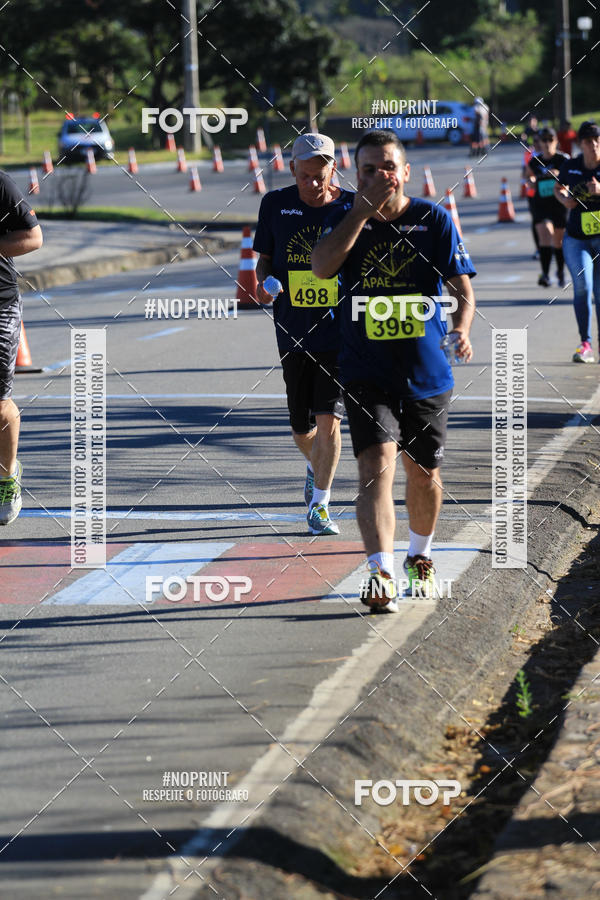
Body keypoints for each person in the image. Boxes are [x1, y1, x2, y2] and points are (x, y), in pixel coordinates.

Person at [312, 130, 476, 611]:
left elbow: (461, 287)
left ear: (405, 172)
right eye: (368, 169)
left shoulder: (434, 220)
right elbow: (322, 267)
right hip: (366, 371)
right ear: (355, 175)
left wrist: (462, 327)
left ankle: (419, 557)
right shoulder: (346, 220)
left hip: (427, 372)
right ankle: (380, 570)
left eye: (388, 166)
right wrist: (361, 213)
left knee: (423, 473)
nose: (379, 175)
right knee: (374, 468)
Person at [253, 134, 353, 535]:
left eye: (320, 174)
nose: (313, 183)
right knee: (301, 427)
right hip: (292, 330)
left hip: (340, 332)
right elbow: (262, 263)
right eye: (305, 175)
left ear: (333, 168)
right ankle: (316, 466)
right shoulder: (274, 205)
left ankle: (321, 505)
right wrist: (266, 282)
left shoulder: (351, 207)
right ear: (292, 169)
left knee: (330, 420)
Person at [0, 171, 43, 525]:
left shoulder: (0, 184)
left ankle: (6, 476)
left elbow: (32, 237)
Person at [554, 120, 600, 363]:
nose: (593, 146)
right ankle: (586, 344)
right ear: (580, 144)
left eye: (597, 141)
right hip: (576, 238)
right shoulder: (571, 165)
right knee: (582, 287)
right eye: (588, 142)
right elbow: (558, 188)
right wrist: (564, 200)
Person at [525, 127, 568, 286]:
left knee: (558, 240)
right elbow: (527, 178)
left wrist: (559, 175)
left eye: (551, 139)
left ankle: (561, 272)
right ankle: (545, 274)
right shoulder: (534, 162)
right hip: (541, 204)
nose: (548, 143)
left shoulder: (563, 159)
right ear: (539, 143)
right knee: (545, 234)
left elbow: (572, 180)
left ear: (556, 141)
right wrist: (531, 182)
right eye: (544, 140)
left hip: (559, 204)